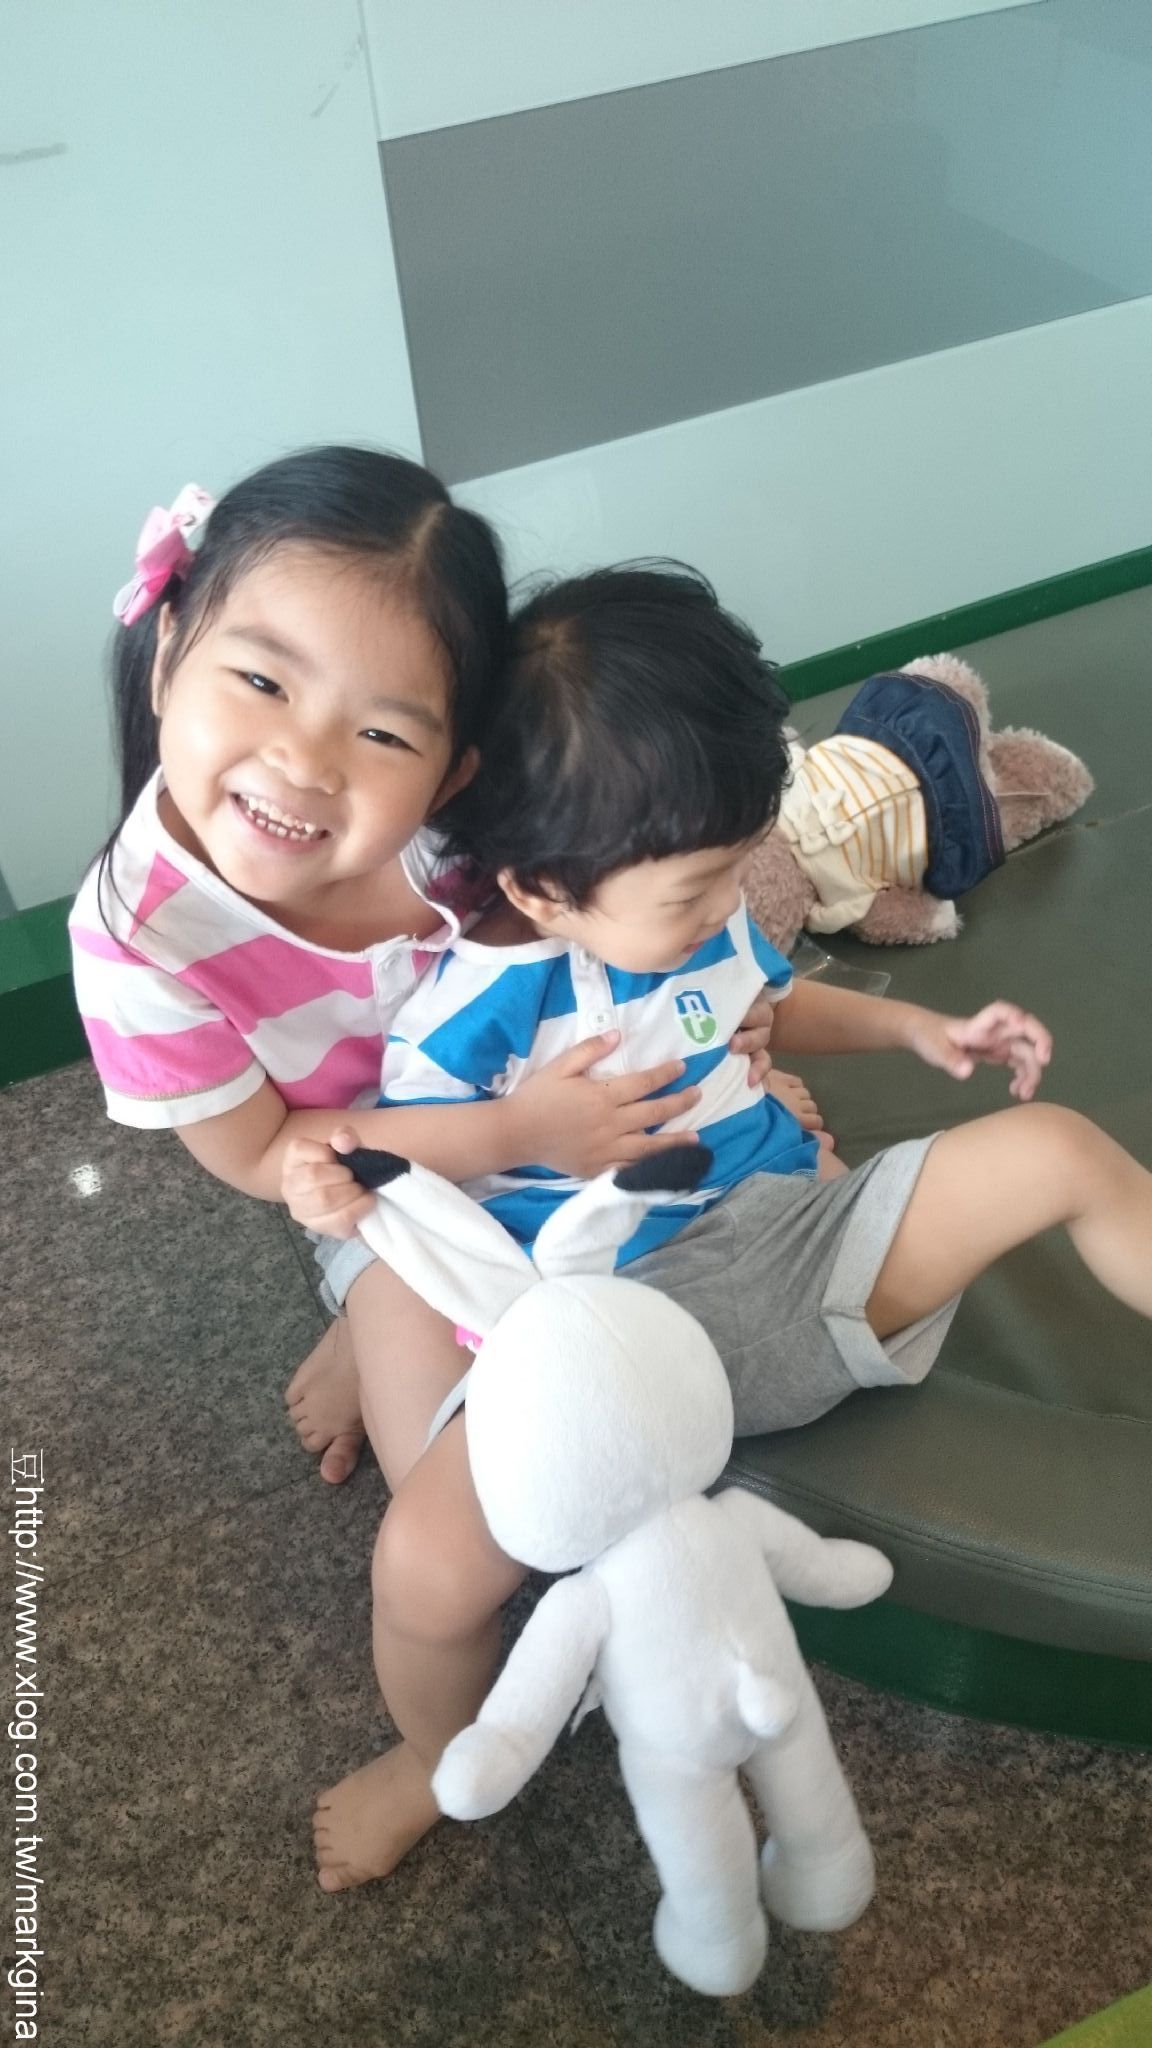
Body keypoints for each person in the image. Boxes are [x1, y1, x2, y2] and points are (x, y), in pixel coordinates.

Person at [284, 561, 1152, 1895]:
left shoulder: (697, 911)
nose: (722, 909)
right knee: (428, 1567)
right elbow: (378, 1148)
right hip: (586, 1326)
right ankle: (428, 1755)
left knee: (1055, 1150)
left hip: (776, 1246)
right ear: (545, 888)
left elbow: (771, 998)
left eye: (733, 870)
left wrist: (917, 1029)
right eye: (692, 891)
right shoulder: (482, 1004)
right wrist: (516, 1131)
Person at [70, 453, 742, 1495]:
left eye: (382, 732)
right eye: (262, 682)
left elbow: (608, 910)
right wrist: (515, 1133)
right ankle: (363, 1310)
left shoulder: (463, 825)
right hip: (375, 1180)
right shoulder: (135, 941)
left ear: (454, 770)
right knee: (472, 1488)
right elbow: (266, 1155)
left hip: (561, 1085)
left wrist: (726, 1025)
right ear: (167, 655)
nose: (304, 761)